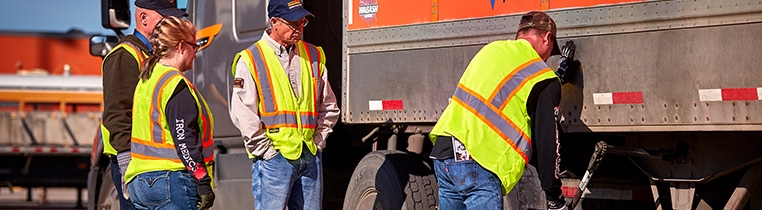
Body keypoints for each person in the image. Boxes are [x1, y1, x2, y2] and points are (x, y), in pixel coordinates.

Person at [428, 11, 579, 210]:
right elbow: (546, 144)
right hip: (478, 160)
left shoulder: (492, 50)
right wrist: (554, 196)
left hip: (444, 153)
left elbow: (510, 89)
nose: (547, 58)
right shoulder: (543, 77)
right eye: (551, 52)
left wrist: (557, 78)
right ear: (547, 38)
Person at [229, 0, 340, 209]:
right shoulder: (251, 58)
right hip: (274, 160)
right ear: (274, 22)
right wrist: (266, 152)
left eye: (302, 23)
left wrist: (318, 142)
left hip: (309, 154)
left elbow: (329, 106)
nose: (299, 29)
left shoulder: (314, 55)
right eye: (292, 23)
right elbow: (242, 114)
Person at [99, 0, 187, 209]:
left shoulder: (157, 57)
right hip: (133, 161)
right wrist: (125, 160)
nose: (170, 22)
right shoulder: (125, 55)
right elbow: (118, 113)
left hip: (151, 161)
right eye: (164, 17)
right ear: (144, 18)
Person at [123, 16, 216, 210]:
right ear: (181, 47)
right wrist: (202, 182)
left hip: (139, 183)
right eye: (195, 46)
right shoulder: (175, 84)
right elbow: (184, 140)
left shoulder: (147, 79)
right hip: (170, 181)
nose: (196, 53)